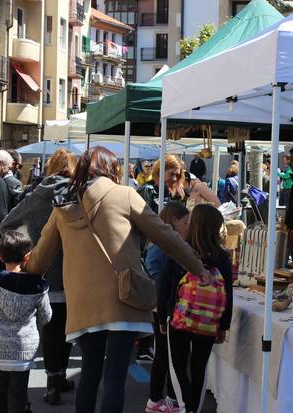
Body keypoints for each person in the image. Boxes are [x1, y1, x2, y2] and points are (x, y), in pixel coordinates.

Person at [25, 146, 208, 413]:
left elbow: (40, 258)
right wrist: (198, 267)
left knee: (90, 373)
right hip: (124, 298)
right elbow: (165, 235)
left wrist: (19, 271)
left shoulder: (64, 204)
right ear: (112, 169)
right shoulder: (125, 195)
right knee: (115, 377)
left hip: (82, 303)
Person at [0, 149, 78, 405]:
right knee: (69, 327)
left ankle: (54, 379)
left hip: (44, 268)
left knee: (51, 328)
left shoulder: (37, 194)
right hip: (77, 270)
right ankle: (59, 376)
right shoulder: (81, 194)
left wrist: (29, 246)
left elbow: (6, 225)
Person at [158, 204, 233, 413]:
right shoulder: (222, 257)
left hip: (177, 317)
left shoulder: (178, 249)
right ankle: (194, 409)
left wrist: (161, 315)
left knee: (178, 367)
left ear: (192, 224)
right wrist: (223, 325)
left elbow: (163, 284)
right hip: (209, 322)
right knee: (200, 368)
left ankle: (185, 407)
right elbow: (228, 292)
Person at [0, 230, 51, 413]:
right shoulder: (38, 285)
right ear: (27, 256)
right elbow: (46, 317)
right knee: (18, 395)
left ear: (0, 256)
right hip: (23, 350)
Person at [145, 202, 190, 413]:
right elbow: (153, 272)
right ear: (174, 221)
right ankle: (159, 399)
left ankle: (162, 398)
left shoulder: (169, 241)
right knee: (166, 355)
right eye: (185, 221)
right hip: (162, 307)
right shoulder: (162, 244)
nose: (188, 226)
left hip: (164, 305)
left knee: (167, 354)